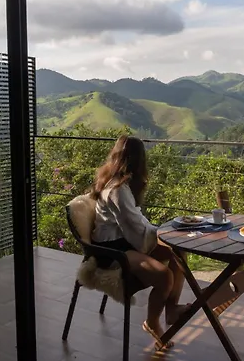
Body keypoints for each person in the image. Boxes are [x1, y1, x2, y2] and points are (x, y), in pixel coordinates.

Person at [90, 135, 188, 349]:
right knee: (164, 276)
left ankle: (171, 309)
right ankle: (152, 322)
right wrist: (161, 235)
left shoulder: (120, 184)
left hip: (124, 241)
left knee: (178, 252)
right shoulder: (116, 189)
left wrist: (164, 236)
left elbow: (136, 222)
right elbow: (134, 227)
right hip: (111, 250)